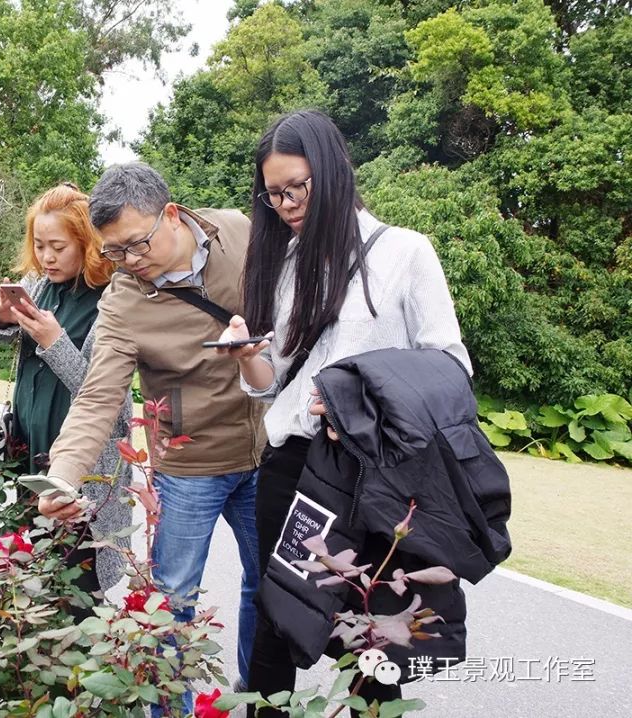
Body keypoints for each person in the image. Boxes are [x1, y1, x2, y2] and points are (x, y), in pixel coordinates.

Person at [216, 109, 472, 716]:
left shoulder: (405, 252)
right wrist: (248, 356)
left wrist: (358, 399)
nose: (285, 205)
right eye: (274, 194)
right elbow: (272, 383)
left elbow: (450, 365)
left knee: (371, 629)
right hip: (292, 467)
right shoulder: (285, 264)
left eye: (297, 188)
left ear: (332, 172)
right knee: (277, 617)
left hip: (372, 472)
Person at [36, 163, 266, 713]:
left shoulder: (237, 232)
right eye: (114, 252)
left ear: (171, 214)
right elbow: (97, 397)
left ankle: (256, 688)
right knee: (171, 602)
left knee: (269, 586)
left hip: (265, 451)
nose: (130, 261)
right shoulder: (122, 302)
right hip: (187, 469)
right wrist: (62, 476)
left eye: (137, 244)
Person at [0, 182, 132, 604]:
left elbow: (104, 396)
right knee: (27, 569)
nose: (46, 257)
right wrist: (5, 319)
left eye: (58, 247)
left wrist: (54, 341)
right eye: (39, 244)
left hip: (80, 461)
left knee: (76, 579)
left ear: (87, 243)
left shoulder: (112, 301)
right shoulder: (38, 283)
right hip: (29, 447)